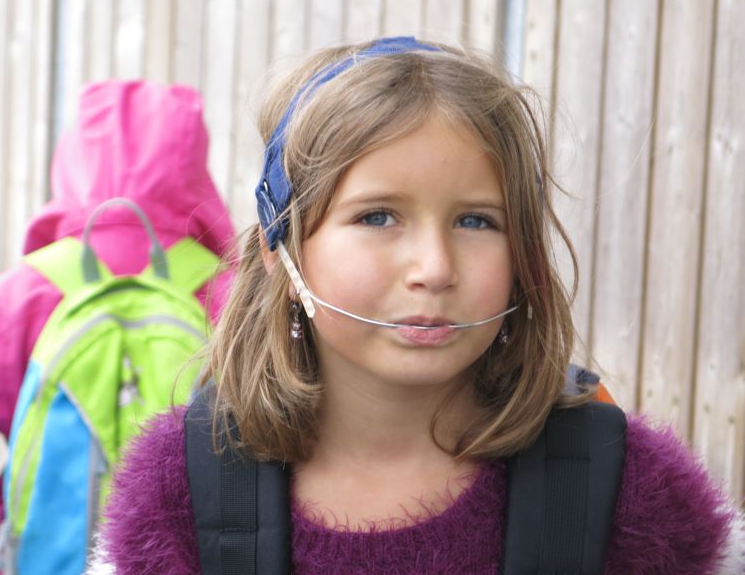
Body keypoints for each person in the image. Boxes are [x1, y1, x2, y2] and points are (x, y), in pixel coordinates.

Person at [95, 38, 744, 574]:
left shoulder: (632, 494)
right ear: (279, 252)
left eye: (476, 221)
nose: (434, 268)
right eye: (378, 216)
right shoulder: (178, 495)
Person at [0, 80, 236, 575]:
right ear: (195, 170)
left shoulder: (28, 294)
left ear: (74, 161)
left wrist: (15, 549)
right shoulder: (233, 299)